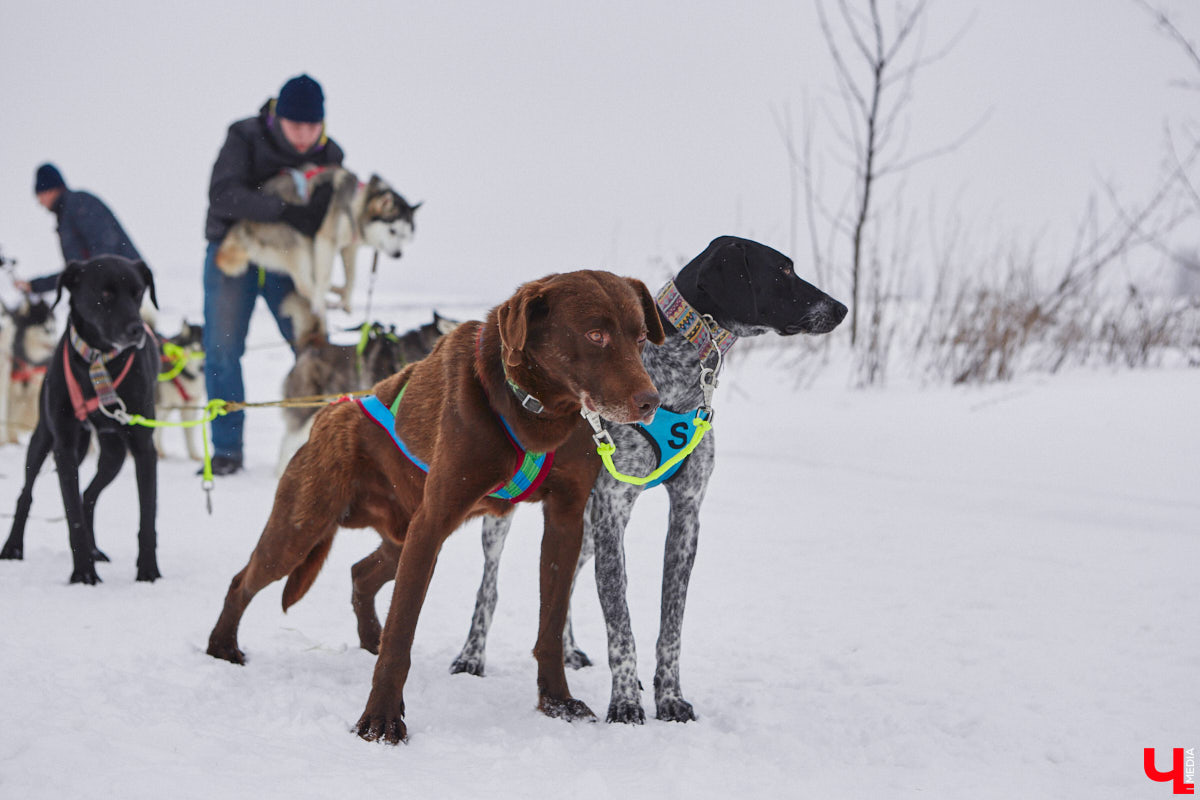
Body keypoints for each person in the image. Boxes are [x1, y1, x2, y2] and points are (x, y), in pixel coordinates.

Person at [202, 73, 342, 476]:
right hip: (236, 253)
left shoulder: (331, 154)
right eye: (296, 125)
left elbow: (341, 212)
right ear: (277, 118)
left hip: (291, 262)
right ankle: (227, 448)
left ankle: (324, 442)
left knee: (314, 348)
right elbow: (223, 195)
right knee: (222, 351)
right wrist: (285, 211)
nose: (304, 135)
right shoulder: (244, 137)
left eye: (312, 126)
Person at [17, 163, 143, 294]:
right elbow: (76, 272)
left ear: (50, 190)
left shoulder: (79, 204)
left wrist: (101, 285)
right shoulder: (67, 213)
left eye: (40, 196)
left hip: (126, 289)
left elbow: (103, 247)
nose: (40, 203)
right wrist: (35, 286)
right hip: (117, 289)